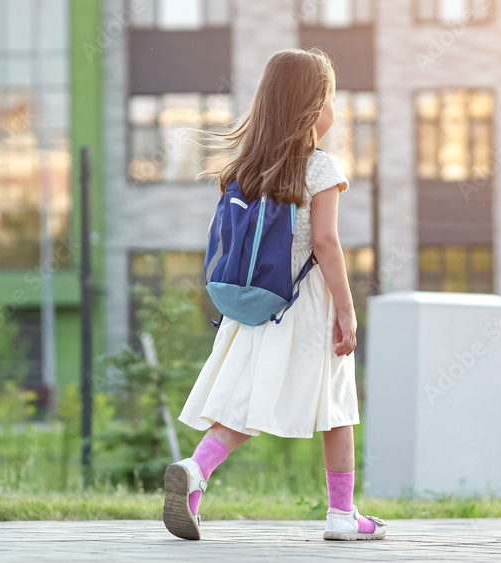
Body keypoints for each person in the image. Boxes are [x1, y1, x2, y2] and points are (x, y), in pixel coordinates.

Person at [162, 47, 386, 542]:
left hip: (257, 305)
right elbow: (326, 243)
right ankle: (342, 515)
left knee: (246, 402)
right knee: (337, 407)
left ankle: (196, 471)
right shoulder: (319, 168)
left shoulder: (248, 167)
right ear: (311, 107)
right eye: (330, 99)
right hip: (306, 307)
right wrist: (347, 311)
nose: (335, 110)